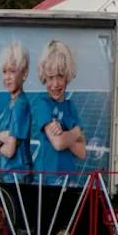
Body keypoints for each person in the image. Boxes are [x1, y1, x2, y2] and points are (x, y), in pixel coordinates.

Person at [32, 40, 87, 172]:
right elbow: (58, 143)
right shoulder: (42, 104)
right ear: (44, 77)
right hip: (47, 178)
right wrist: (76, 132)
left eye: (60, 76)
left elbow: (82, 152)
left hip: (69, 177)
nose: (55, 84)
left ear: (67, 76)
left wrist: (64, 134)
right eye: (50, 77)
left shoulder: (71, 106)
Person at [0, 40, 33, 173]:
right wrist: (2, 137)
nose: (7, 77)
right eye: (4, 72)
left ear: (24, 74)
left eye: (12, 71)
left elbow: (10, 151)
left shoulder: (20, 105)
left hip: (17, 173)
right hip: (11, 173)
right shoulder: (12, 103)